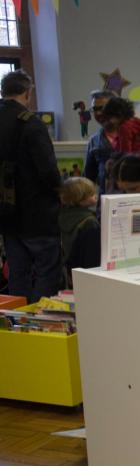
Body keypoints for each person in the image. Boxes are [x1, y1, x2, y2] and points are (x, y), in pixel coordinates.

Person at [0, 70, 62, 302]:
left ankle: (17, 325)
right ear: (28, 92)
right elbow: (47, 170)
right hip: (37, 213)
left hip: (7, 214)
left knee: (17, 272)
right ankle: (40, 321)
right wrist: (62, 192)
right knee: (47, 271)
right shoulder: (31, 124)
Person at [58, 177, 100, 286]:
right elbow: (92, 255)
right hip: (86, 271)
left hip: (68, 269)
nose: (96, 196)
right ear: (80, 198)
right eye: (91, 194)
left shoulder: (61, 216)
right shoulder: (89, 222)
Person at [83, 89, 118, 193]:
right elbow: (88, 177)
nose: (98, 113)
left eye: (102, 108)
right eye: (94, 109)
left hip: (135, 201)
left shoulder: (136, 134)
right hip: (106, 201)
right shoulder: (94, 141)